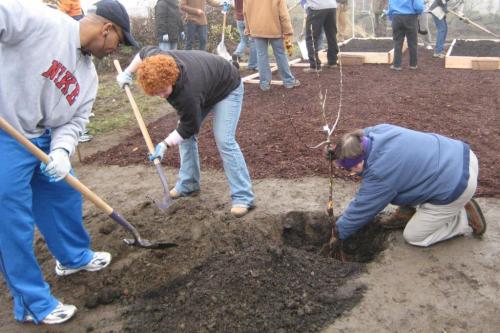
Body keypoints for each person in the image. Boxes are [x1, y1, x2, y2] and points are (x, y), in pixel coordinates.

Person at [0, 0, 138, 325]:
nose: (114, 52)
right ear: (106, 30)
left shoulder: (88, 77)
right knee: (12, 222)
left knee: (64, 196)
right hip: (5, 133)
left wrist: (62, 151)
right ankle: (33, 302)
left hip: (43, 138)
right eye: (117, 42)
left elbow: (74, 122)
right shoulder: (41, 22)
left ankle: (72, 257)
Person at [116, 47, 255, 217]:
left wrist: (164, 144)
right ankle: (188, 185)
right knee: (186, 139)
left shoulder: (187, 92)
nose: (161, 95)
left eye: (163, 90)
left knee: (224, 139)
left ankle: (243, 196)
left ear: (172, 78)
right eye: (156, 92)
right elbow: (143, 52)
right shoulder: (155, 59)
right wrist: (128, 72)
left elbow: (189, 127)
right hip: (206, 85)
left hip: (227, 87)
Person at [327, 124, 486, 253]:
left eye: (351, 169)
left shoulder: (380, 174)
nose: (352, 172)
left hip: (457, 185)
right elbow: (360, 134)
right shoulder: (378, 133)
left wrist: (339, 232)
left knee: (414, 237)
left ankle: (462, 218)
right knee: (408, 178)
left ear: (358, 162)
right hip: (462, 154)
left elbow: (362, 208)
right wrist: (335, 152)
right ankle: (407, 212)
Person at [243, 0, 300, 91]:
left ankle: (264, 84)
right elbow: (283, 14)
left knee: (261, 55)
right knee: (280, 54)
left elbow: (245, 12)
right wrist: (287, 30)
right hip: (274, 29)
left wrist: (248, 28)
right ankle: (289, 82)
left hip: (256, 29)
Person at [302, 0, 339, 72]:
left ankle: (315, 66)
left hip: (317, 7)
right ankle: (333, 61)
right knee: (331, 34)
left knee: (311, 37)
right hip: (331, 6)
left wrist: (305, 5)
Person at [387, 0, 424, 70]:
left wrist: (391, 17)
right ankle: (413, 64)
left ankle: (397, 65)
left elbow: (390, 6)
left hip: (396, 17)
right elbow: (419, 7)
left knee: (397, 42)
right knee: (412, 42)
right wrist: (418, 13)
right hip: (411, 17)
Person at [232, 0, 257, 71]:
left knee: (243, 40)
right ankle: (252, 65)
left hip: (239, 19)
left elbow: (233, 5)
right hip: (248, 19)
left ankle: (237, 54)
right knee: (254, 41)